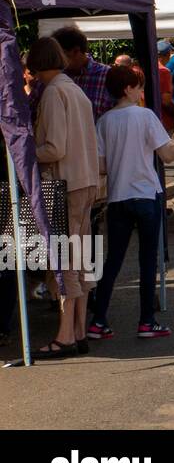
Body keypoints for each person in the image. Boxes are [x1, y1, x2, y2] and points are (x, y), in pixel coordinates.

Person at [89, 65, 174, 341]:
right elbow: (169, 154)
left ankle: (98, 320)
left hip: (117, 197)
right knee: (147, 259)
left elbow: (101, 166)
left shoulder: (104, 121)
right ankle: (146, 322)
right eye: (138, 86)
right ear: (128, 89)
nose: (141, 91)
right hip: (146, 195)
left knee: (113, 260)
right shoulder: (145, 116)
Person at [28, 37, 100, 358]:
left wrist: (23, 149)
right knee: (82, 258)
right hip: (85, 182)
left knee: (65, 260)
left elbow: (54, 148)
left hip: (64, 185)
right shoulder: (75, 89)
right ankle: (79, 331)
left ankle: (66, 335)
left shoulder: (55, 91)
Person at [49, 27, 114, 119]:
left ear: (76, 51)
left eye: (61, 55)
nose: (58, 61)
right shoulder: (54, 76)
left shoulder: (106, 75)